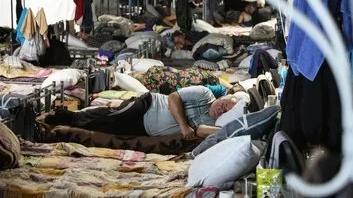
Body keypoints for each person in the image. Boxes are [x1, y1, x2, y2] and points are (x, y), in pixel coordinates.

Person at [45, 85, 244, 140]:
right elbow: (173, 97)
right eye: (225, 104)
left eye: (227, 111)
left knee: (104, 127)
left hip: (145, 129)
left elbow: (201, 130)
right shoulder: (204, 94)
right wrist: (184, 126)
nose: (222, 109)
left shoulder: (212, 121)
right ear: (222, 97)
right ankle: (66, 116)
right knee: (110, 116)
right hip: (148, 106)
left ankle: (68, 122)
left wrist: (228, 130)